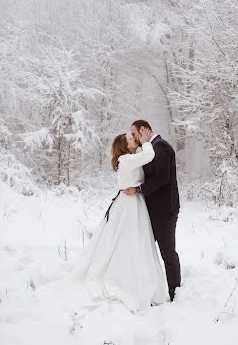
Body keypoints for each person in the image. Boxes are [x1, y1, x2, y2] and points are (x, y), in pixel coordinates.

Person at [73, 128, 168, 312]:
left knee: (137, 243)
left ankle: (138, 279)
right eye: (130, 138)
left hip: (134, 202)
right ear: (124, 147)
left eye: (132, 137)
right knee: (130, 242)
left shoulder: (130, 159)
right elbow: (149, 155)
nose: (133, 138)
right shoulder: (127, 159)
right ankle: (126, 281)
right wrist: (147, 140)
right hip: (129, 206)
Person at [124, 120, 181, 302]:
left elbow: (162, 178)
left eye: (134, 134)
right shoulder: (151, 147)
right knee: (145, 252)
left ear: (143, 130)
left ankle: (175, 293)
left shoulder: (161, 146)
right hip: (153, 211)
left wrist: (139, 190)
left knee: (168, 252)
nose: (133, 137)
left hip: (164, 211)